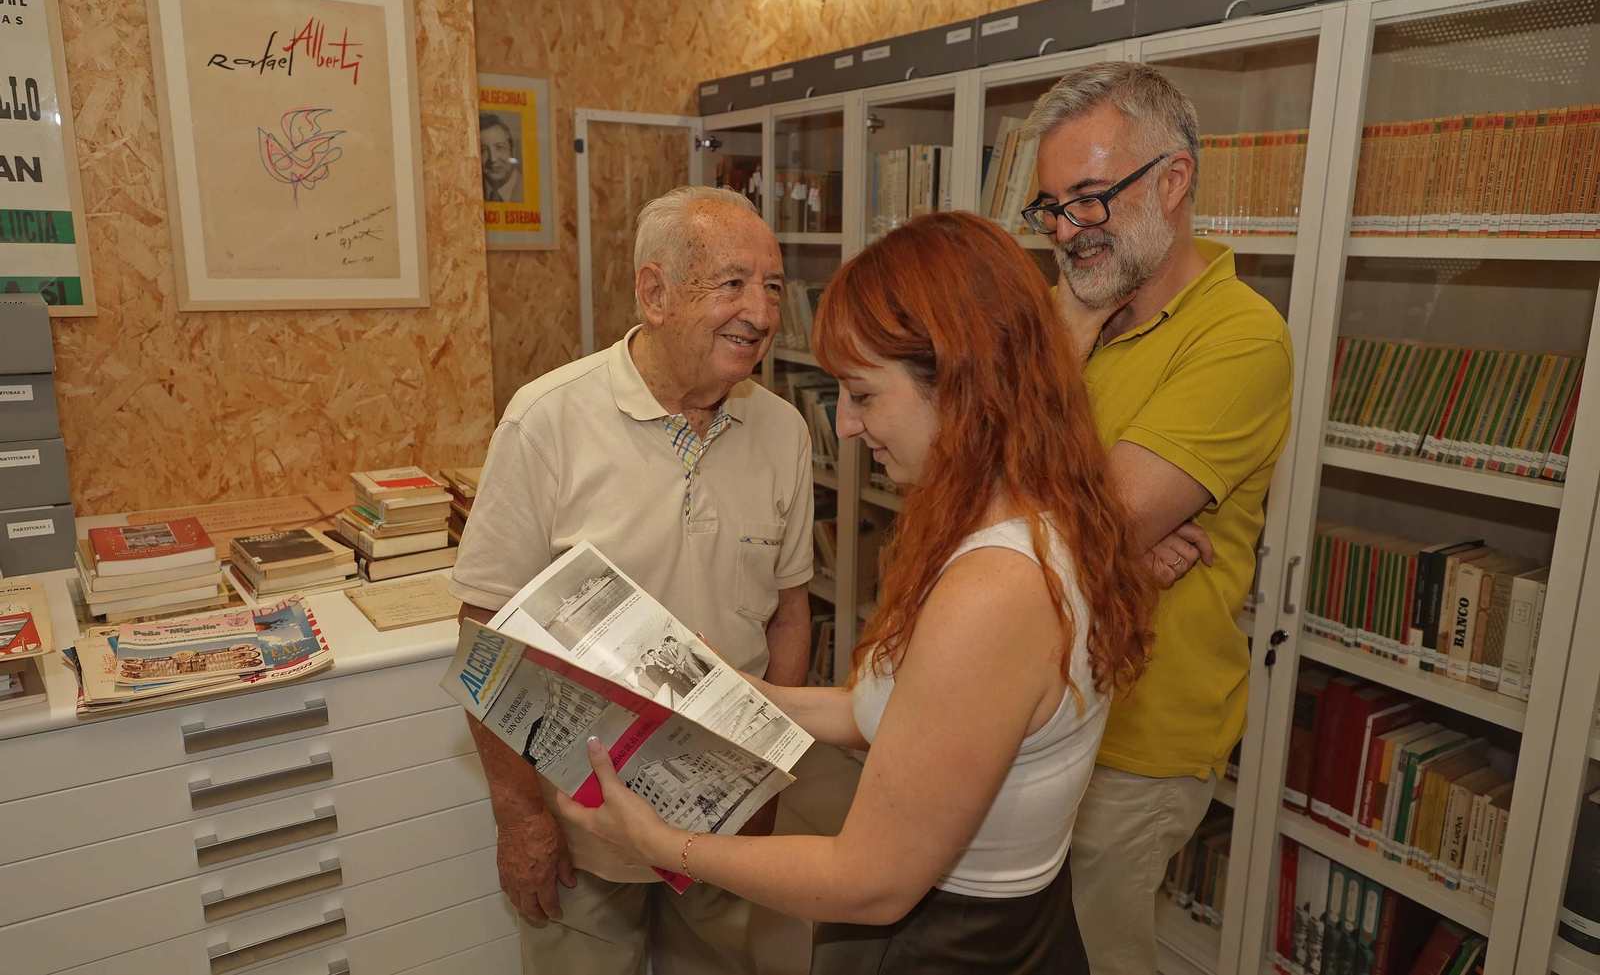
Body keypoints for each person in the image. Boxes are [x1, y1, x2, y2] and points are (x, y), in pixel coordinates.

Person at [554, 210, 1157, 975]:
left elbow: (868, 881)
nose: (843, 425)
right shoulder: (1032, 518)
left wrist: (659, 842)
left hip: (951, 948)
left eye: (864, 395)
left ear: (963, 386)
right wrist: (729, 688)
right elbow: (896, 712)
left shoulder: (993, 591)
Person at [447, 185, 815, 975]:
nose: (762, 310)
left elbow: (789, 618)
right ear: (655, 292)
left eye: (774, 285)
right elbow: (486, 636)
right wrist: (521, 818)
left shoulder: (783, 430)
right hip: (582, 831)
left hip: (723, 826)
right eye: (733, 283)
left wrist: (766, 787)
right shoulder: (545, 421)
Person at [1020, 61, 1294, 974]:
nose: (1067, 231)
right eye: (1052, 207)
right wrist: (1060, 336)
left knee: (1093, 953)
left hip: (1139, 737)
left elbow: (1088, 521)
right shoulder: (1060, 315)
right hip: (1027, 694)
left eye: (1091, 198)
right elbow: (949, 492)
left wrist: (1097, 532)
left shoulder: (1241, 336)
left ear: (1173, 181)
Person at [480, 112, 524, 203]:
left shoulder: (532, 189)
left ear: (512, 151)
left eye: (499, 147)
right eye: (483, 150)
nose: (493, 158)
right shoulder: (471, 192)